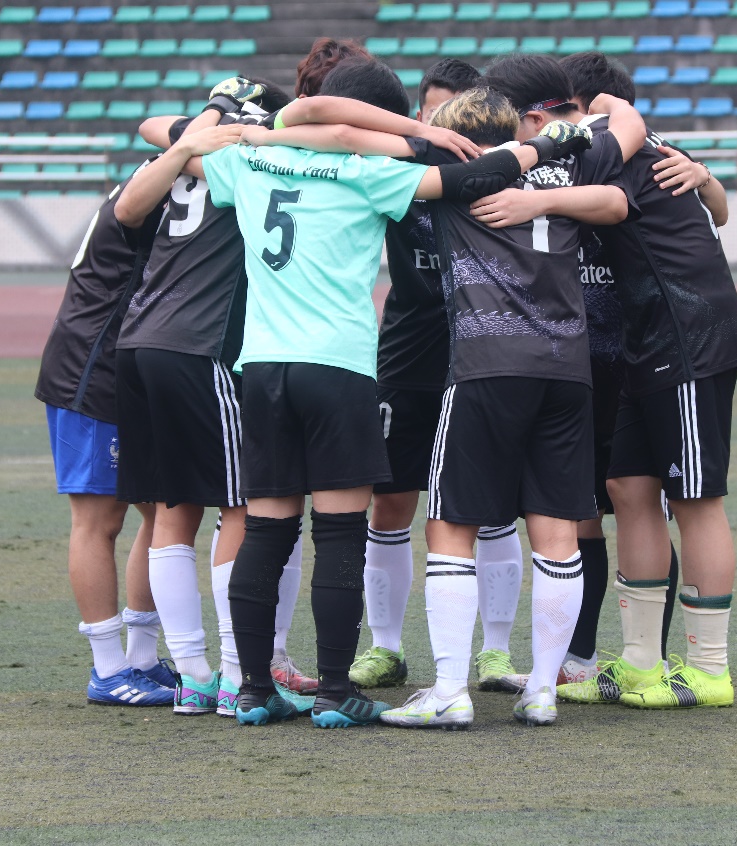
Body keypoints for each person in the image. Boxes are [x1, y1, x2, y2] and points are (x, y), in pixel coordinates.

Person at [182, 58, 593, 729]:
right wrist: (542, 146)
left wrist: (235, 125)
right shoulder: (369, 172)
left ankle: (252, 688)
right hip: (338, 365)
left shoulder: (247, 162)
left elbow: (180, 144)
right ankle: (335, 690)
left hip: (262, 366)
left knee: (265, 531)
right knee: (341, 533)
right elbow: (468, 178)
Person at [368, 78, 645, 729]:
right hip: (566, 369)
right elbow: (623, 151)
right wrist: (573, 130)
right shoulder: (568, 167)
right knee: (556, 531)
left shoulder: (456, 176)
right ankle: (543, 689)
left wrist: (426, 134)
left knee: (449, 526)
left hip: (486, 367)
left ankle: (448, 690)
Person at [484, 51, 737, 709]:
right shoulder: (619, 135)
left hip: (688, 333)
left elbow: (614, 199)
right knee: (628, 488)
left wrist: (533, 199)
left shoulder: (607, 135)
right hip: (646, 340)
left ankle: (709, 670)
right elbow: (712, 207)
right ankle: (638, 663)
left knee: (694, 498)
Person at [114, 80, 314, 716]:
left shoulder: (187, 151)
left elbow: (152, 128)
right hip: (201, 345)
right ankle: (235, 673)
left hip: (139, 341)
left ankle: (193, 675)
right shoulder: (252, 158)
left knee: (172, 511)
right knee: (244, 506)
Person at [349, 57, 527, 694]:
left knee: (493, 510)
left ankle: (496, 654)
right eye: (430, 113)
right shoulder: (397, 167)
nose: (440, 127)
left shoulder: (509, 177)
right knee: (390, 503)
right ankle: (386, 648)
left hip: (482, 359)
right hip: (406, 359)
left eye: (452, 115)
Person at [35, 158, 174, 707]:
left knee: (163, 510)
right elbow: (130, 209)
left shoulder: (167, 168)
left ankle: (141, 657)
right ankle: (107, 668)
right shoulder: (158, 176)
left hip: (131, 367)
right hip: (92, 369)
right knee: (98, 518)